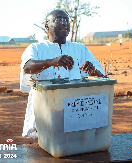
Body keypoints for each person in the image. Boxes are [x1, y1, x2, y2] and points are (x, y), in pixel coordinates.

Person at [20, 9, 105, 139]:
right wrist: (51, 62)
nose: (64, 23)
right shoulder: (36, 48)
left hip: (76, 112)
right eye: (59, 20)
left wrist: (92, 71)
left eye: (66, 20)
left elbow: (102, 76)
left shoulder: (80, 49)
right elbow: (27, 67)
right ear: (47, 25)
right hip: (46, 114)